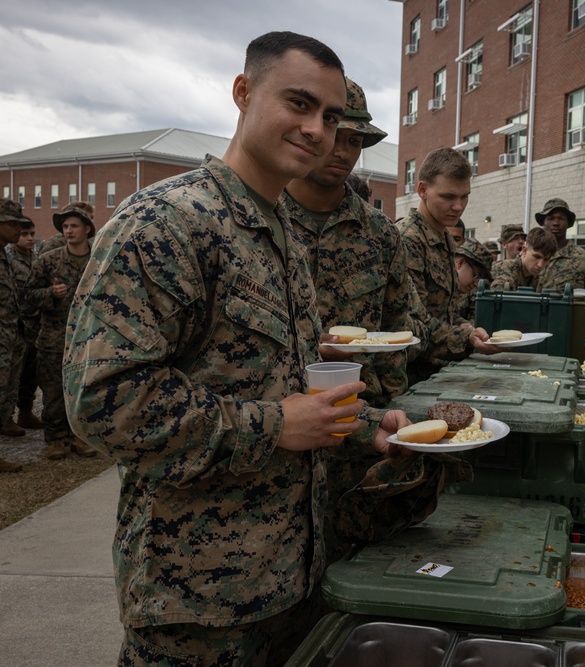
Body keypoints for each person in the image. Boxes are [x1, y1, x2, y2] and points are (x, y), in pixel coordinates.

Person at [63, 32, 410, 666]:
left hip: (291, 579)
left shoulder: (279, 235)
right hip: (197, 600)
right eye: (299, 104)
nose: (317, 130)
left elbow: (282, 386)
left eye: (331, 118)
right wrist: (275, 425)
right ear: (243, 93)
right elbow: (103, 402)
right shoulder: (166, 224)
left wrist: (371, 430)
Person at [282, 77, 410, 408]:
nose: (342, 152)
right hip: (280, 418)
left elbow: (395, 332)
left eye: (354, 140)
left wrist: (391, 408)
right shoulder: (260, 219)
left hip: (362, 416)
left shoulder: (381, 234)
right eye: (335, 135)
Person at [398, 148, 494, 384]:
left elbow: (444, 312)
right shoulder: (408, 239)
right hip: (410, 376)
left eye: (464, 196)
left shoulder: (444, 238)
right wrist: (466, 337)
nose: (458, 207)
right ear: (423, 190)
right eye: (448, 197)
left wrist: (468, 328)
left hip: (436, 371)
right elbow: (413, 323)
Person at [25, 202, 98, 459]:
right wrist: (50, 294)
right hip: (55, 339)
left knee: (83, 390)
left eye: (74, 226)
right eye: (65, 226)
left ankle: (79, 437)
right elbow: (29, 295)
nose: (68, 231)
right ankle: (56, 440)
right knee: (54, 392)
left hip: (89, 338)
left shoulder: (99, 261)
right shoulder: (48, 261)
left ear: (87, 229)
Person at [534, 198, 585, 324]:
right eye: (550, 218)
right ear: (543, 222)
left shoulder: (583, 259)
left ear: (568, 223)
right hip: (532, 322)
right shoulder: (530, 254)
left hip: (565, 325)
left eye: (561, 218)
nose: (556, 223)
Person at [3, 213, 42, 434]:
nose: (28, 238)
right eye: (24, 234)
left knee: (30, 373)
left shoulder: (35, 258)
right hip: (14, 325)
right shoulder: (7, 258)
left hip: (33, 326)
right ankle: (6, 419)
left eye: (32, 234)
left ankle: (25, 412)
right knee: (10, 376)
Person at [0, 199, 31, 472]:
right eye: (11, 223)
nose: (18, 229)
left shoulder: (4, 254)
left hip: (10, 337)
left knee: (6, 394)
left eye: (19, 224)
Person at [490, 227, 557, 292]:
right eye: (537, 257)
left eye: (546, 259)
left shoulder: (541, 277)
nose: (540, 265)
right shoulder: (505, 269)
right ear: (524, 250)